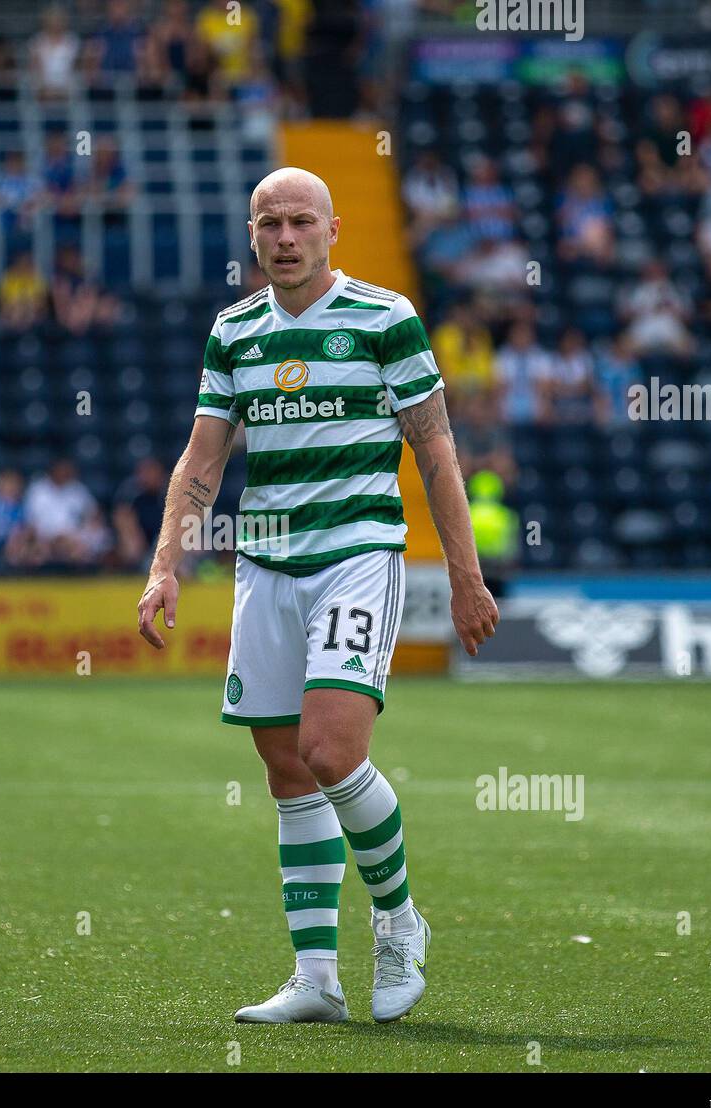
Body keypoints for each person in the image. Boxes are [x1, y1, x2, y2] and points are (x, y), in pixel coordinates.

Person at [136, 167, 499, 1025]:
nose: (286, 237)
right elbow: (202, 462)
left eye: (302, 221)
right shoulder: (233, 331)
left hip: (356, 555)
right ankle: (316, 978)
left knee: (332, 751)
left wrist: (466, 575)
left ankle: (401, 921)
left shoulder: (386, 317)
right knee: (287, 771)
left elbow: (437, 451)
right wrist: (165, 565)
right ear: (253, 235)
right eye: (270, 223)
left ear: (333, 228)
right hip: (265, 566)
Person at [465, 470, 519, 597]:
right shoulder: (506, 515)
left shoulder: (467, 515)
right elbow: (512, 547)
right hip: (498, 571)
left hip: (474, 570)